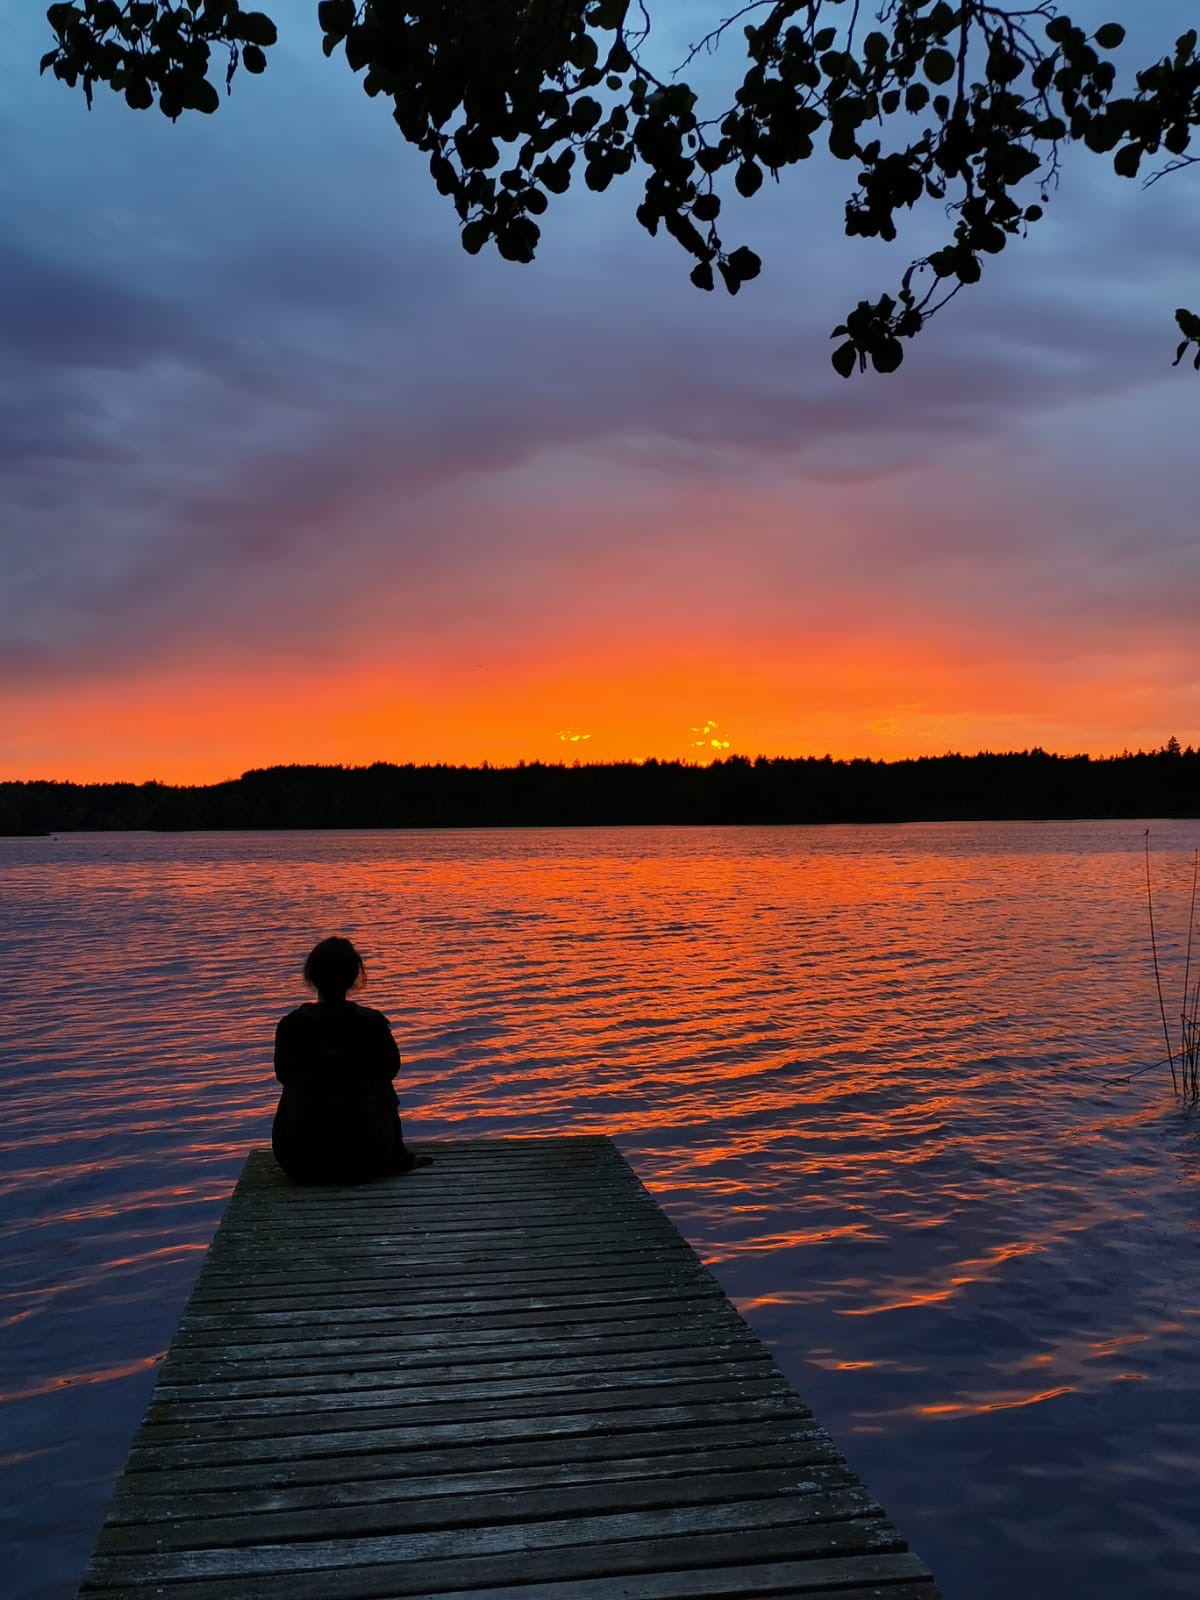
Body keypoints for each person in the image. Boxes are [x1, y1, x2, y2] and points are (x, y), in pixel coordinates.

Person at [271, 936, 432, 1184]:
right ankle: (395, 1154)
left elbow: (283, 1075)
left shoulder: (291, 1026)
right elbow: (391, 1070)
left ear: (311, 977)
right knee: (379, 1082)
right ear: (354, 977)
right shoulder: (371, 1024)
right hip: (366, 1156)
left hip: (300, 1159)